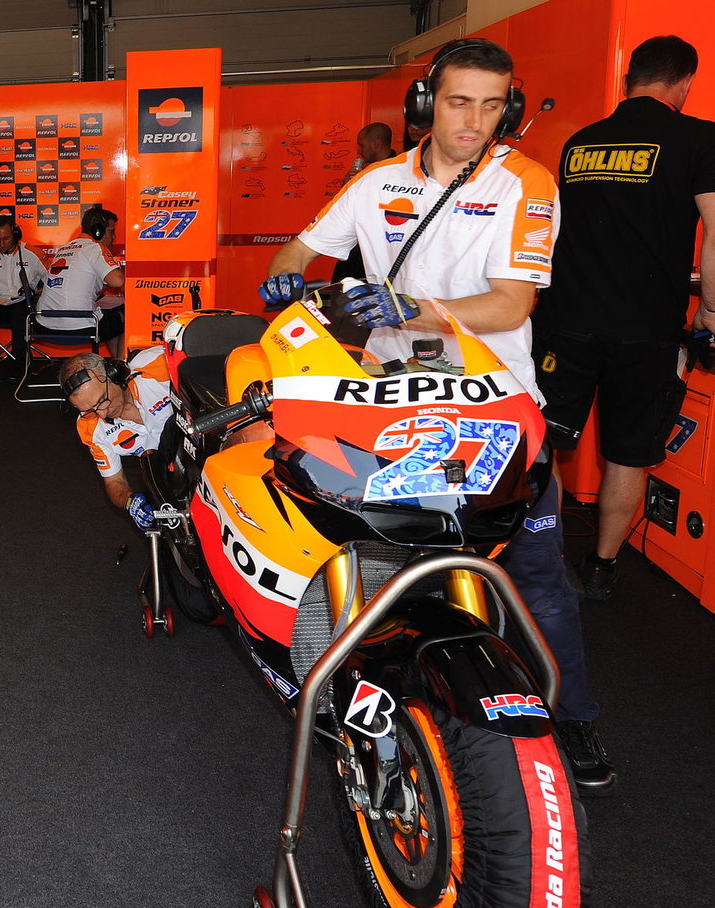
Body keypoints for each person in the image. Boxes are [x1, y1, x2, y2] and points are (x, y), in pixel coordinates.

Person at [261, 38, 616, 796]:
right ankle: (393, 706)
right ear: (425, 103)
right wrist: (285, 272)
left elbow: (512, 303)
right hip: (389, 404)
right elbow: (298, 245)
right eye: (459, 102)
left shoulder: (527, 182)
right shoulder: (376, 181)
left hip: (495, 407)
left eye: (493, 106)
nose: (475, 121)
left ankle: (572, 713)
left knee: (535, 576)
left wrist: (416, 305)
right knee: (385, 558)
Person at [533, 35, 715, 602]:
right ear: (685, 84)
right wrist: (714, 310)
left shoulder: (580, 142)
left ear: (628, 80)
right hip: (646, 326)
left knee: (547, 443)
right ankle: (600, 569)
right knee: (627, 452)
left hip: (566, 317)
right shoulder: (707, 139)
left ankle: (541, 559)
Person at [59, 347, 174, 530]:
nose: (102, 414)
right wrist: (130, 502)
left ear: (114, 374)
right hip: (170, 473)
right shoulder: (89, 426)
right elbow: (114, 482)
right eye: (90, 411)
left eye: (102, 400)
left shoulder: (156, 366)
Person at [36, 206, 126, 359]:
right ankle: (119, 369)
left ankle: (114, 366)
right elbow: (117, 281)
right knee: (126, 314)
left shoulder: (63, 249)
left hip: (43, 323)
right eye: (111, 231)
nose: (114, 236)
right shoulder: (95, 248)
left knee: (110, 314)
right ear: (98, 231)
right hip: (79, 326)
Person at [0, 218, 46, 381]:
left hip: (21, 302)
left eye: (6, 238)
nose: (1, 243)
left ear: (16, 235)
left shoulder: (33, 254)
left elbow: (51, 279)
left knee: (20, 318)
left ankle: (21, 367)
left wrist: (40, 291)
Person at [331, 123, 397, 283]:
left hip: (383, 250)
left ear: (375, 144)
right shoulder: (366, 173)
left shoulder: (399, 171)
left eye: (361, 145)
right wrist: (349, 187)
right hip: (357, 245)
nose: (359, 150)